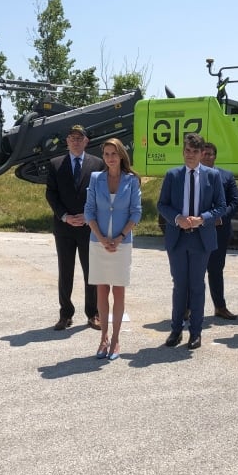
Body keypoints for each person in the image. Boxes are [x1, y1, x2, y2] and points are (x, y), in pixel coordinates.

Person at [157, 132, 226, 350]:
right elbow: (162, 205)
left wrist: (202, 219)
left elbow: (221, 206)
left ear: (201, 153)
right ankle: (176, 330)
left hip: (201, 239)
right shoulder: (172, 175)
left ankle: (195, 333)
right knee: (179, 286)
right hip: (178, 238)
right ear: (183, 151)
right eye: (187, 150)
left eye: (195, 152)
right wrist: (177, 218)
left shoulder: (212, 176)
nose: (190, 155)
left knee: (197, 286)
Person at [84, 138, 142, 360]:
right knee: (101, 291)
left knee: (118, 292)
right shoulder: (96, 178)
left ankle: (116, 340)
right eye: (106, 154)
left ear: (121, 155)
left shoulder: (131, 180)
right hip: (97, 242)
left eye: (113, 154)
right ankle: (103, 338)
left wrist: (119, 237)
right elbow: (89, 210)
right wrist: (100, 237)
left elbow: (135, 213)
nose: (110, 158)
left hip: (122, 243)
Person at [46, 125, 105, 331]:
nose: (76, 141)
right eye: (72, 138)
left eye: (80, 138)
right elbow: (51, 194)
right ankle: (65, 314)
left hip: (89, 227)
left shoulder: (97, 164)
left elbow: (101, 194)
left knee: (92, 271)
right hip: (64, 228)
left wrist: (89, 216)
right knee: (65, 271)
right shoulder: (55, 164)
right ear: (67, 141)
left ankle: (93, 313)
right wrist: (65, 217)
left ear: (86, 141)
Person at [201, 142, 238, 320]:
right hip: (197, 230)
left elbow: (234, 202)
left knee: (216, 270)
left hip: (219, 230)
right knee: (195, 271)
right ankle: (188, 308)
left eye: (211, 154)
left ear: (215, 156)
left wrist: (220, 217)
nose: (208, 156)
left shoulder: (226, 176)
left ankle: (220, 307)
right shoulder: (192, 176)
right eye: (205, 153)